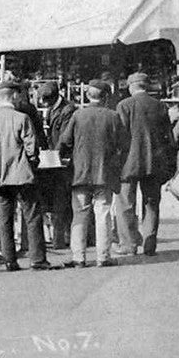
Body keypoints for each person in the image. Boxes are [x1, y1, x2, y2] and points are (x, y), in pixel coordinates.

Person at [0, 81, 50, 271]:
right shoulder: (22, 118)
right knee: (32, 215)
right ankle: (37, 259)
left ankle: (9, 259)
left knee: (4, 217)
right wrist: (31, 165)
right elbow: (32, 149)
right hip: (22, 173)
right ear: (14, 96)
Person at [57, 81, 128, 268]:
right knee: (103, 215)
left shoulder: (78, 115)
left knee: (79, 215)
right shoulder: (113, 116)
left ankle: (79, 257)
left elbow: (65, 140)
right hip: (104, 173)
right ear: (105, 97)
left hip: (80, 173)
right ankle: (103, 257)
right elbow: (124, 144)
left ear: (88, 96)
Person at [113, 72, 176, 257]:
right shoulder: (160, 106)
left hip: (128, 163)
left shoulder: (124, 105)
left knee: (125, 204)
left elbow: (120, 136)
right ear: (147, 86)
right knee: (151, 203)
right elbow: (170, 139)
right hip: (154, 163)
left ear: (132, 87)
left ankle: (129, 244)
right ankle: (150, 244)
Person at [38, 81, 77, 250]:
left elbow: (65, 137)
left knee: (61, 201)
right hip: (53, 159)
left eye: (47, 100)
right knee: (56, 200)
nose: (44, 103)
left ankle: (60, 239)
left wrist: (55, 154)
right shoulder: (54, 108)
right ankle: (59, 238)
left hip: (62, 160)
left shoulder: (68, 110)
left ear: (54, 97)